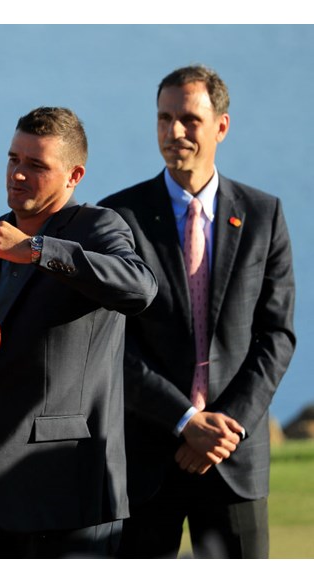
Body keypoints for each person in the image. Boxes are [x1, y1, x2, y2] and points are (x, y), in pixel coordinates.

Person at [99, 65, 296, 559]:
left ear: (221, 126)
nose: (174, 132)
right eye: (164, 119)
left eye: (189, 119)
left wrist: (222, 428)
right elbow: (110, 342)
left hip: (233, 458)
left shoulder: (262, 214)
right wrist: (185, 419)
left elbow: (277, 336)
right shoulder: (119, 217)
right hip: (147, 456)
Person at [0, 107, 157, 558]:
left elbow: (140, 287)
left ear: (74, 175)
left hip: (68, 495)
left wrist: (35, 250)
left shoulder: (98, 227)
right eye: (13, 159)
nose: (19, 175)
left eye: (37, 165)